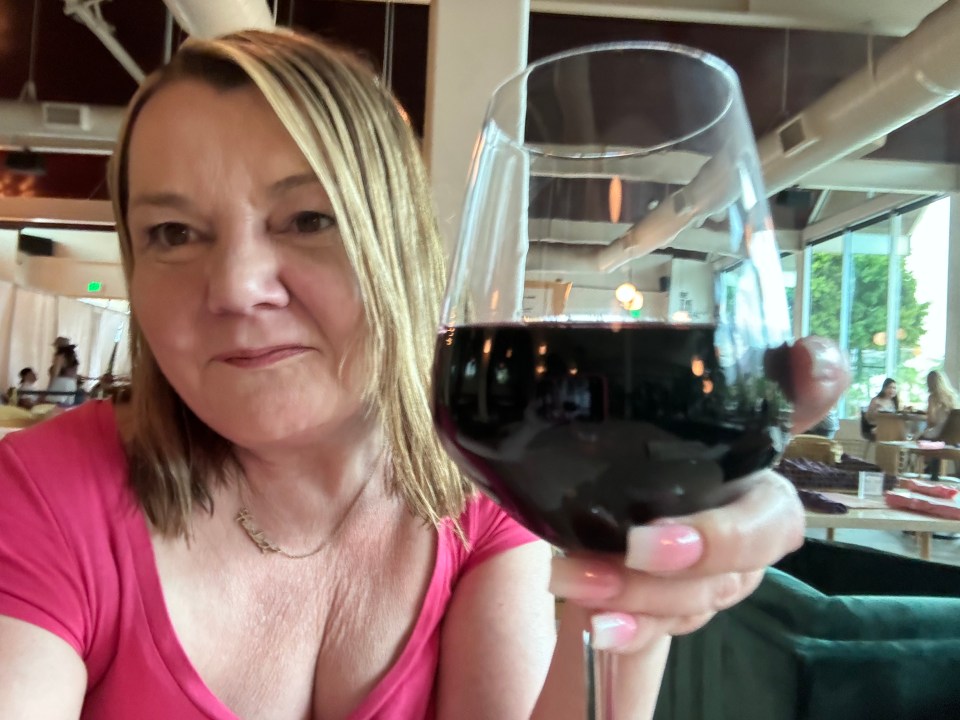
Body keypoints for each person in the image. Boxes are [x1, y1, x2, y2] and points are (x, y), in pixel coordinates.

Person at [0, 30, 848, 719]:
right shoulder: (39, 496)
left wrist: (643, 584)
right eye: (173, 234)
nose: (235, 288)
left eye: (308, 218)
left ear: (400, 249)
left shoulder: (485, 506)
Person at [921, 370, 959, 440]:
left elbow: (931, 420)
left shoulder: (933, 398)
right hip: (952, 433)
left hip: (939, 433)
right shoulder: (952, 396)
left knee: (918, 437)